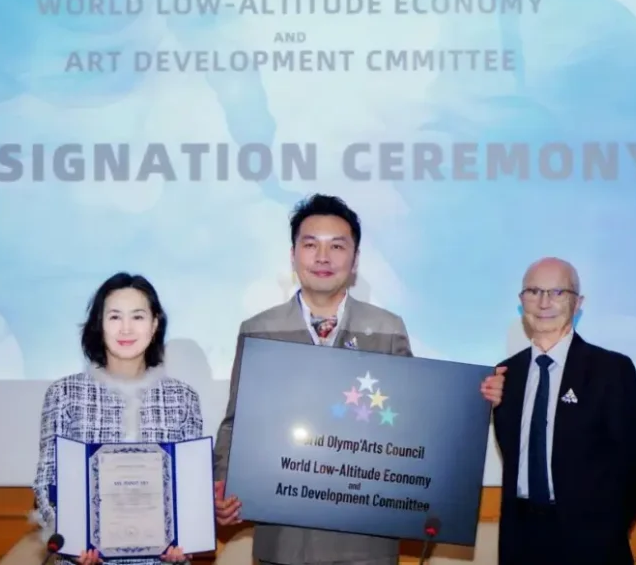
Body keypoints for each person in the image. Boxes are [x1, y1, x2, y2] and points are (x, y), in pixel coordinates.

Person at [212, 194, 507, 565]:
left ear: (354, 260)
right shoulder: (260, 330)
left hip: (365, 543)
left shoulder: (386, 328)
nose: (323, 257)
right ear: (293, 255)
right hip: (284, 542)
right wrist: (224, 485)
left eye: (337, 246)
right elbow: (235, 423)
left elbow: (413, 422)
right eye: (310, 245)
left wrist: (475, 399)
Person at [31, 272, 201, 565]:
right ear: (99, 325)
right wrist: (73, 540)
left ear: (155, 323)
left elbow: (191, 485)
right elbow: (47, 484)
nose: (126, 329)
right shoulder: (64, 394)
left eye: (137, 316)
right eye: (114, 317)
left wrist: (188, 537)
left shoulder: (183, 398)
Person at [492, 257, 636, 565]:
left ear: (578, 302)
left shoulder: (611, 370)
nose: (543, 302)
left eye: (557, 292)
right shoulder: (505, 375)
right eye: (534, 291)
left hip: (591, 545)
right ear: (521, 300)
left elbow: (634, 465)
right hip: (521, 540)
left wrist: (608, 531)